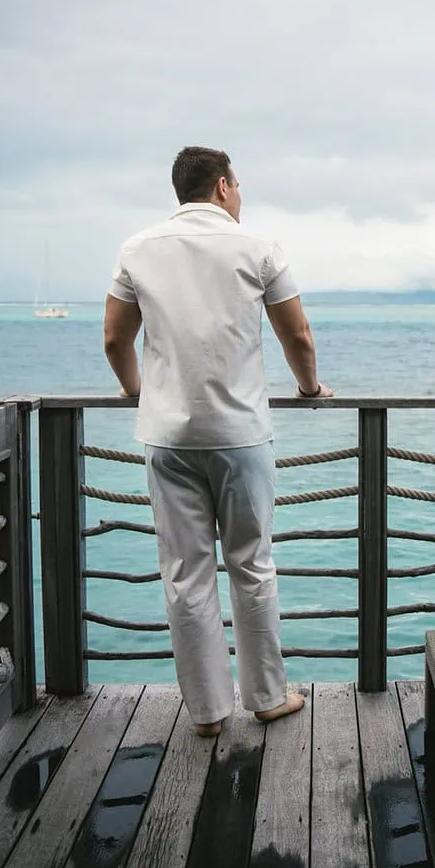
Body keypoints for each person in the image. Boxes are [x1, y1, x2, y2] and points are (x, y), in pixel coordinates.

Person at [103, 146, 332, 736]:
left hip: (167, 434)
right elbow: (297, 335)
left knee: (185, 574)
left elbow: (114, 340)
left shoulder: (137, 249)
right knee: (251, 566)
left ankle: (207, 712)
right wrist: (308, 389)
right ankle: (266, 697)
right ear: (225, 186)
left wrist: (138, 391)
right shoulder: (259, 248)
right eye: (238, 184)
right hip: (240, 435)